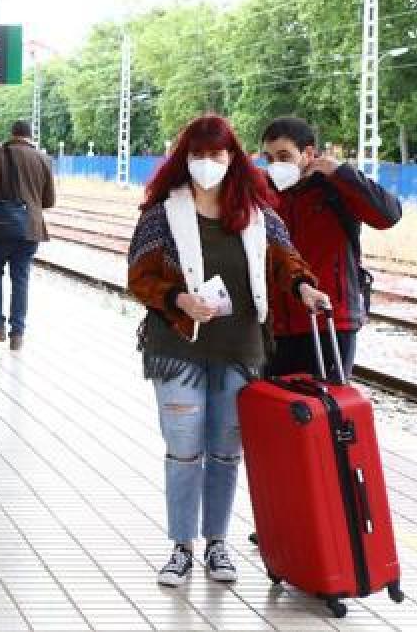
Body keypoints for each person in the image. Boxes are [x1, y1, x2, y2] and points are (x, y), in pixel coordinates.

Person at [127, 114, 328, 588]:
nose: (206, 163)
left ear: (233, 158)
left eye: (216, 154)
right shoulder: (161, 214)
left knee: (224, 452)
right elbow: (140, 275)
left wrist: (305, 288)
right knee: (183, 450)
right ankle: (181, 547)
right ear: (184, 159)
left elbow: (287, 261)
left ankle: (217, 543)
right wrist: (179, 300)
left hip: (241, 350)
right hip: (177, 348)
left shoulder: (259, 216)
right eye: (197, 154)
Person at [260, 117, 402, 380]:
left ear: (309, 154)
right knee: (277, 403)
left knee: (325, 403)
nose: (275, 165)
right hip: (277, 325)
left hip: (330, 321)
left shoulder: (337, 188)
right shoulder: (265, 193)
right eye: (269, 159)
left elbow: (389, 215)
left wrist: (340, 172)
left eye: (284, 156)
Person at [0, 120, 56, 351]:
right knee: (20, 279)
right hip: (29, 229)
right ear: (30, 136)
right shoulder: (44, 159)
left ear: (12, 134)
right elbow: (49, 201)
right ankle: (17, 334)